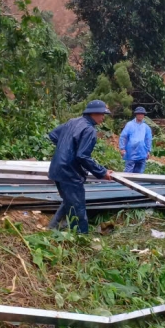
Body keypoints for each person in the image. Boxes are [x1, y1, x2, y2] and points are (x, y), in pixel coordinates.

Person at [47, 100, 113, 233]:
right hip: (69, 173)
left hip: (57, 169)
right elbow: (82, 156)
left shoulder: (73, 122)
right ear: (94, 113)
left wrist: (65, 150)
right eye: (102, 114)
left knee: (68, 200)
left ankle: (52, 227)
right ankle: (81, 237)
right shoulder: (89, 130)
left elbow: (53, 135)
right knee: (78, 208)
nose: (103, 117)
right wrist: (102, 172)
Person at [118, 106, 153, 174]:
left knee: (139, 173)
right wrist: (122, 148)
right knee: (128, 172)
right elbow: (123, 136)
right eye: (138, 114)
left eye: (142, 114)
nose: (140, 115)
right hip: (131, 152)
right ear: (136, 114)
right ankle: (126, 184)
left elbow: (148, 139)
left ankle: (137, 184)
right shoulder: (130, 125)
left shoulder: (146, 127)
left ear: (144, 115)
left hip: (142, 152)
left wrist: (148, 150)